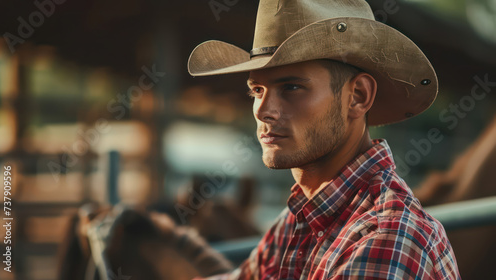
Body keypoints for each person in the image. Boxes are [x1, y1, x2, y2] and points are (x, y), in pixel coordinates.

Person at [188, 0, 461, 279]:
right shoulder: (301, 216)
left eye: (291, 87)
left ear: (358, 96)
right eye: (257, 90)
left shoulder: (384, 238)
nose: (263, 110)